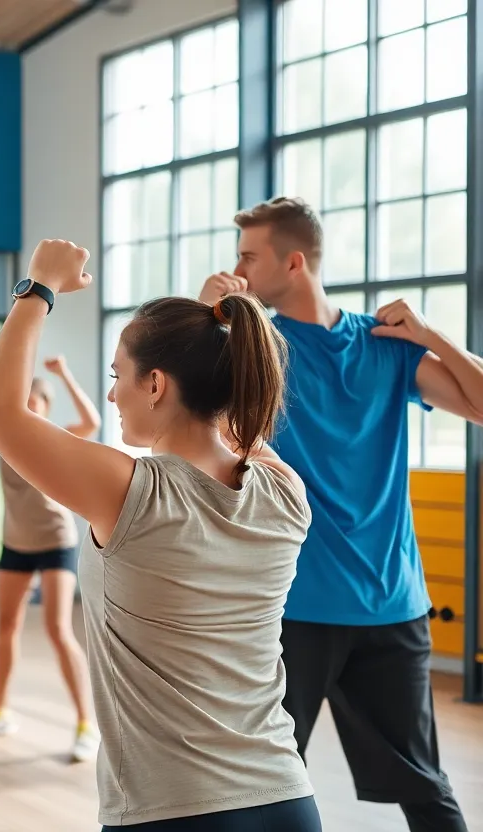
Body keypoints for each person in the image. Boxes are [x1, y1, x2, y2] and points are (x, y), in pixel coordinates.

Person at [0, 239, 322, 830]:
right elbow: (227, 426)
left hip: (177, 812)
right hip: (286, 798)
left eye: (118, 376)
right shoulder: (286, 491)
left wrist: (39, 288)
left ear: (156, 384)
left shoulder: (130, 491)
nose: (111, 394)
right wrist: (203, 328)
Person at [199, 197, 479, 832]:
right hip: (294, 611)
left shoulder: (386, 347)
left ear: (293, 261)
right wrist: (206, 313)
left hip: (392, 609)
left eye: (248, 255)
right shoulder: (258, 347)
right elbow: (182, 398)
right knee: (259, 787)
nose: (236, 267)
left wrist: (431, 336)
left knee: (427, 791)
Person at [0, 354, 100, 761]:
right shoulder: (1, 435)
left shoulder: (58, 435)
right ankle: (0, 710)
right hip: (15, 540)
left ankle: (86, 723)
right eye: (23, 403)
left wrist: (65, 374)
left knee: (56, 628)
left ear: (46, 410)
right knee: (6, 625)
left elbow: (92, 422)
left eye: (35, 404)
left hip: (55, 540)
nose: (28, 410)